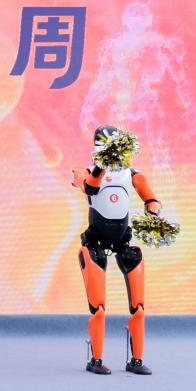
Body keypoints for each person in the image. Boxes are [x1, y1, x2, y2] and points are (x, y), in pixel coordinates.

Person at [72, 125, 162, 375]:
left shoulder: (132, 174)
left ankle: (136, 360)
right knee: (98, 308)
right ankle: (96, 360)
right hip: (95, 242)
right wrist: (100, 166)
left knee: (139, 307)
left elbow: (151, 198)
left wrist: (153, 212)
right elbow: (90, 187)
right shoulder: (86, 172)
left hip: (123, 240)